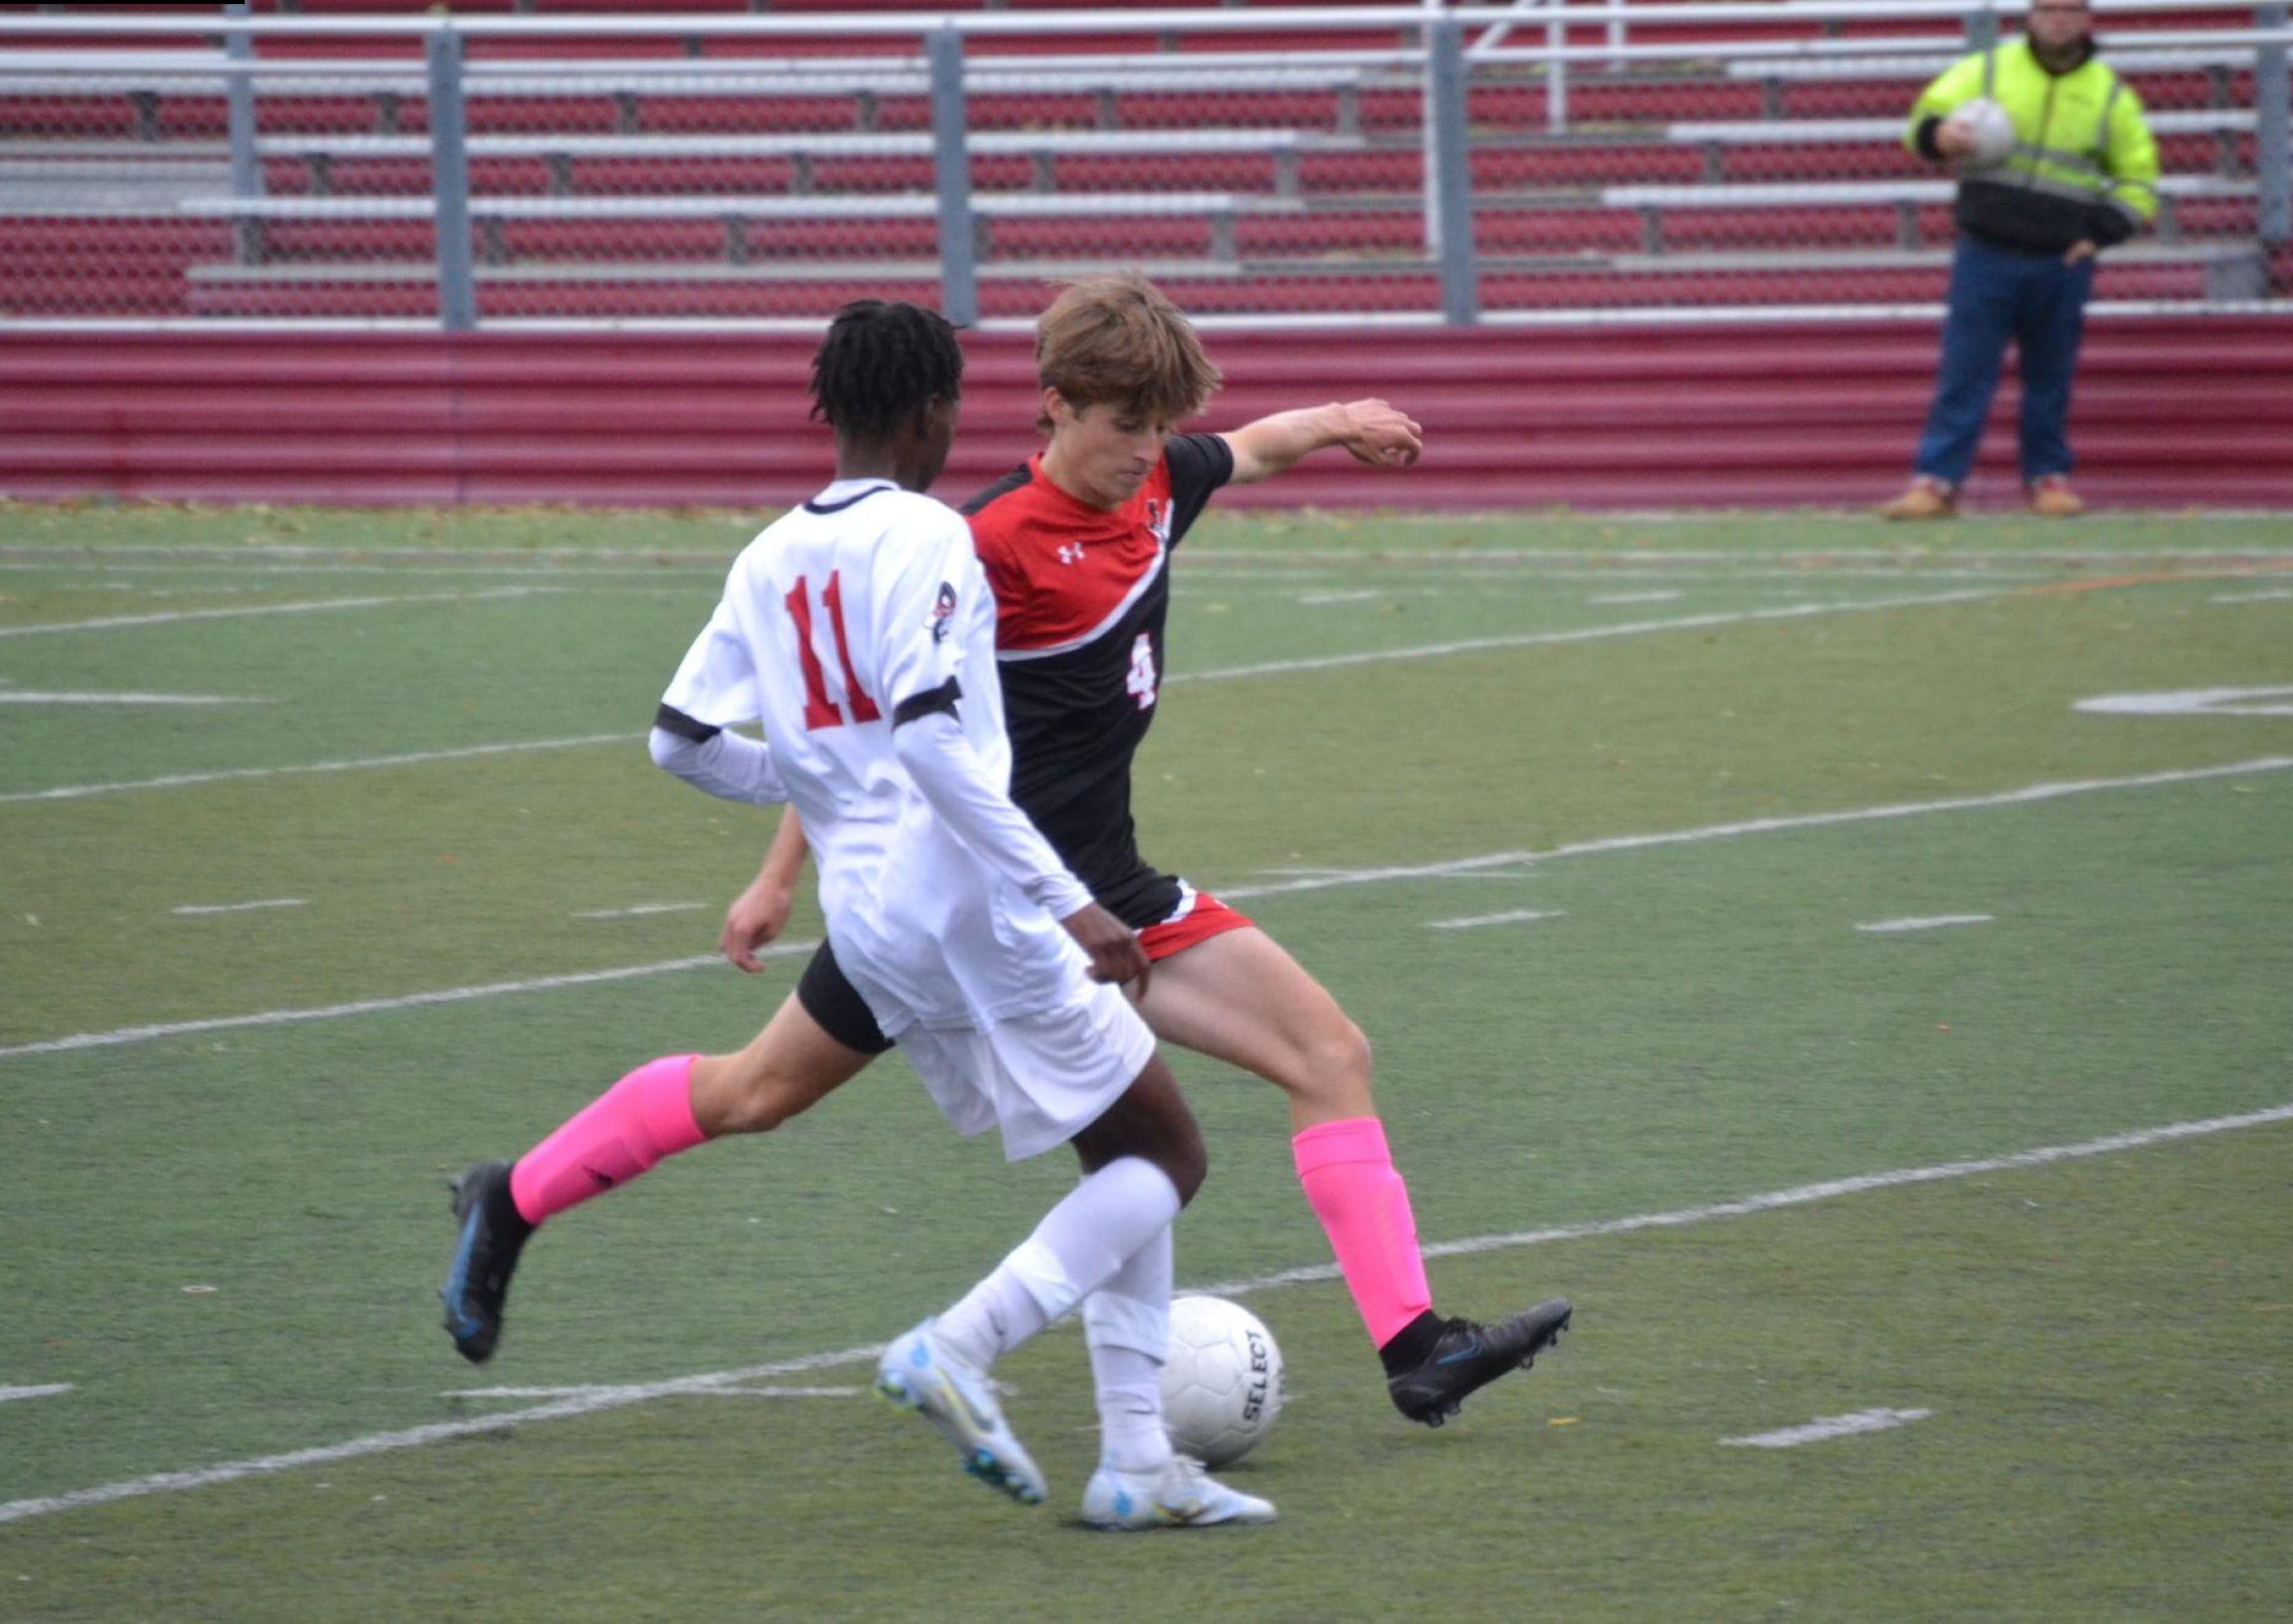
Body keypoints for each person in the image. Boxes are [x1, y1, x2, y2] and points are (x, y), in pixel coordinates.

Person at [442, 298, 1274, 1531]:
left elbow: (678, 741)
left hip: (871, 907)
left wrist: (822, 784)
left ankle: (1137, 1461)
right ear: (936, 411)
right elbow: (936, 743)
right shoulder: (933, 536)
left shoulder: (769, 551)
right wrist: (1070, 900)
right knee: (1165, 1153)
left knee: (777, 1092)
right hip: (971, 902)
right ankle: (957, 1346)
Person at [728, 274, 1571, 1429]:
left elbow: (1252, 447)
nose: (1148, 449)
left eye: (1161, 425)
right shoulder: (978, 544)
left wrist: (1342, 421)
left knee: (1328, 1051)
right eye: (1127, 423)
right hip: (987, 907)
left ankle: (1415, 1349)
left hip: (1115, 898)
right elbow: (877, 728)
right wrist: (781, 874)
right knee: (756, 1092)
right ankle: (524, 1201)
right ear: (1057, 405)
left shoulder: (1164, 480)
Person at [1880, 0, 2160, 521]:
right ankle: (1936, 484)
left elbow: (2139, 179)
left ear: (2086, 20)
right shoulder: (1987, 70)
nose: (2058, 18)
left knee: (2049, 378)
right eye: (2048, 8)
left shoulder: (2110, 95)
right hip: (1986, 252)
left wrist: (2100, 233)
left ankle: (2048, 480)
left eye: (2069, 9)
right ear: (2030, 16)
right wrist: (1939, 138)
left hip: (2061, 261)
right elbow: (1921, 120)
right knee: (1964, 372)